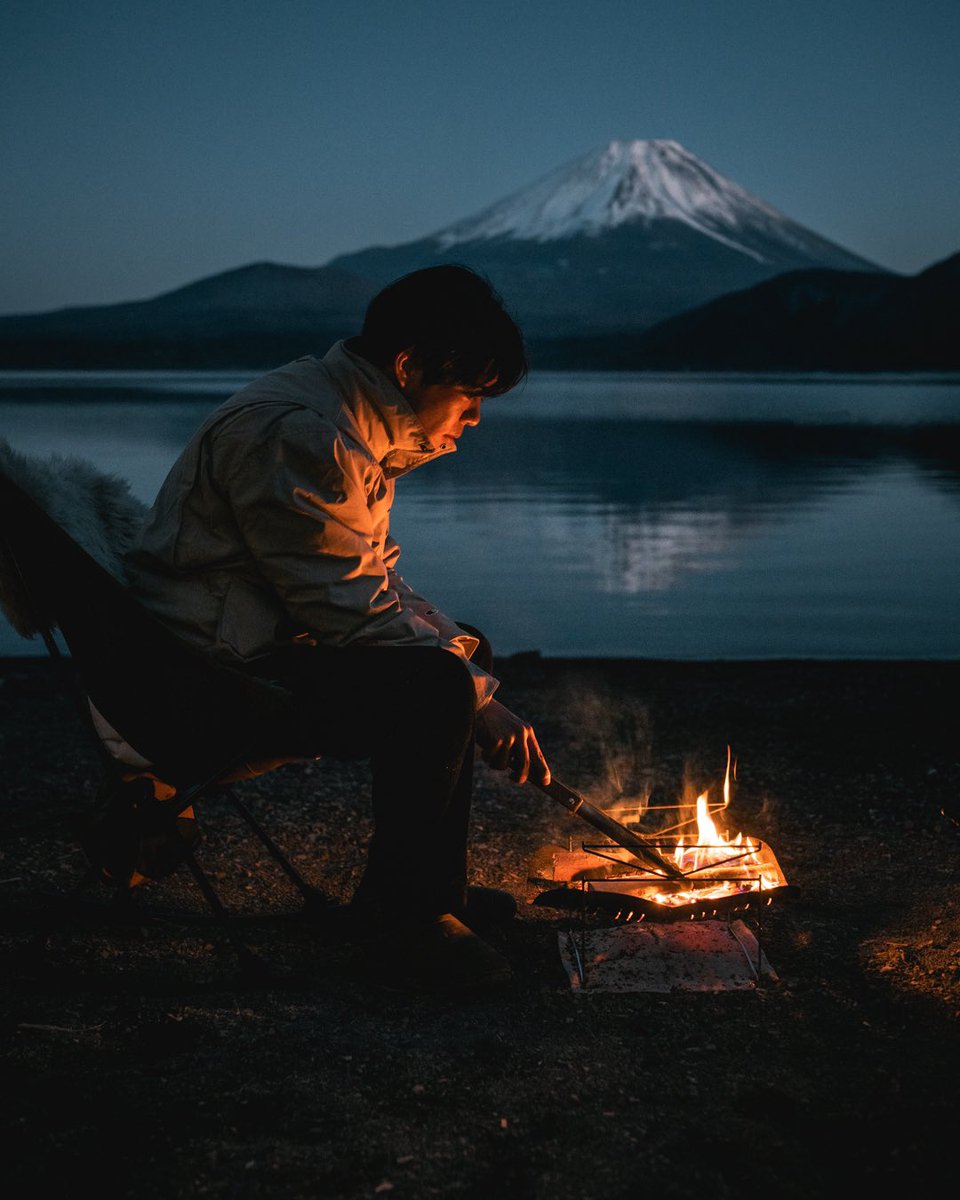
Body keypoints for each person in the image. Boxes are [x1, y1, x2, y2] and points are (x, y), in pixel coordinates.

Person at [124, 264, 551, 994]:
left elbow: (367, 577)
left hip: (237, 646)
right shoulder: (304, 434)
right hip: (211, 679)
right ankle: (404, 925)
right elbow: (349, 612)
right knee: (435, 687)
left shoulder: (337, 415)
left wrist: (470, 669)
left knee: (457, 654)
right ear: (411, 366)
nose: (476, 417)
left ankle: (428, 896)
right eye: (471, 393)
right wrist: (479, 698)